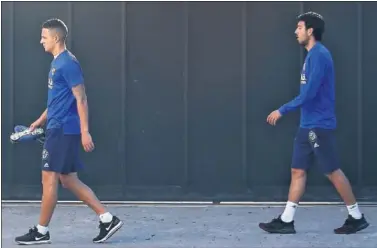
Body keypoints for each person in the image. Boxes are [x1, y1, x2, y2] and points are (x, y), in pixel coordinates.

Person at [15, 18, 123, 245]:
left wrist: (85, 132)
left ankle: (41, 231)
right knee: (69, 179)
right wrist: (40, 120)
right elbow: (58, 99)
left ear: (56, 38)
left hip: (64, 129)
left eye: (44, 37)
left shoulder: (68, 64)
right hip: (57, 126)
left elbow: (81, 98)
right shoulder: (57, 63)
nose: (41, 41)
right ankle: (107, 219)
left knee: (49, 179)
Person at [259, 12, 369, 234]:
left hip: (318, 126)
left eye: (299, 27)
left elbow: (309, 94)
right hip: (306, 125)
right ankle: (287, 221)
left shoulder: (319, 55)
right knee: (297, 170)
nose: (295, 31)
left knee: (332, 171)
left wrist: (282, 110)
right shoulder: (311, 56)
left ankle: (356, 217)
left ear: (311, 31)